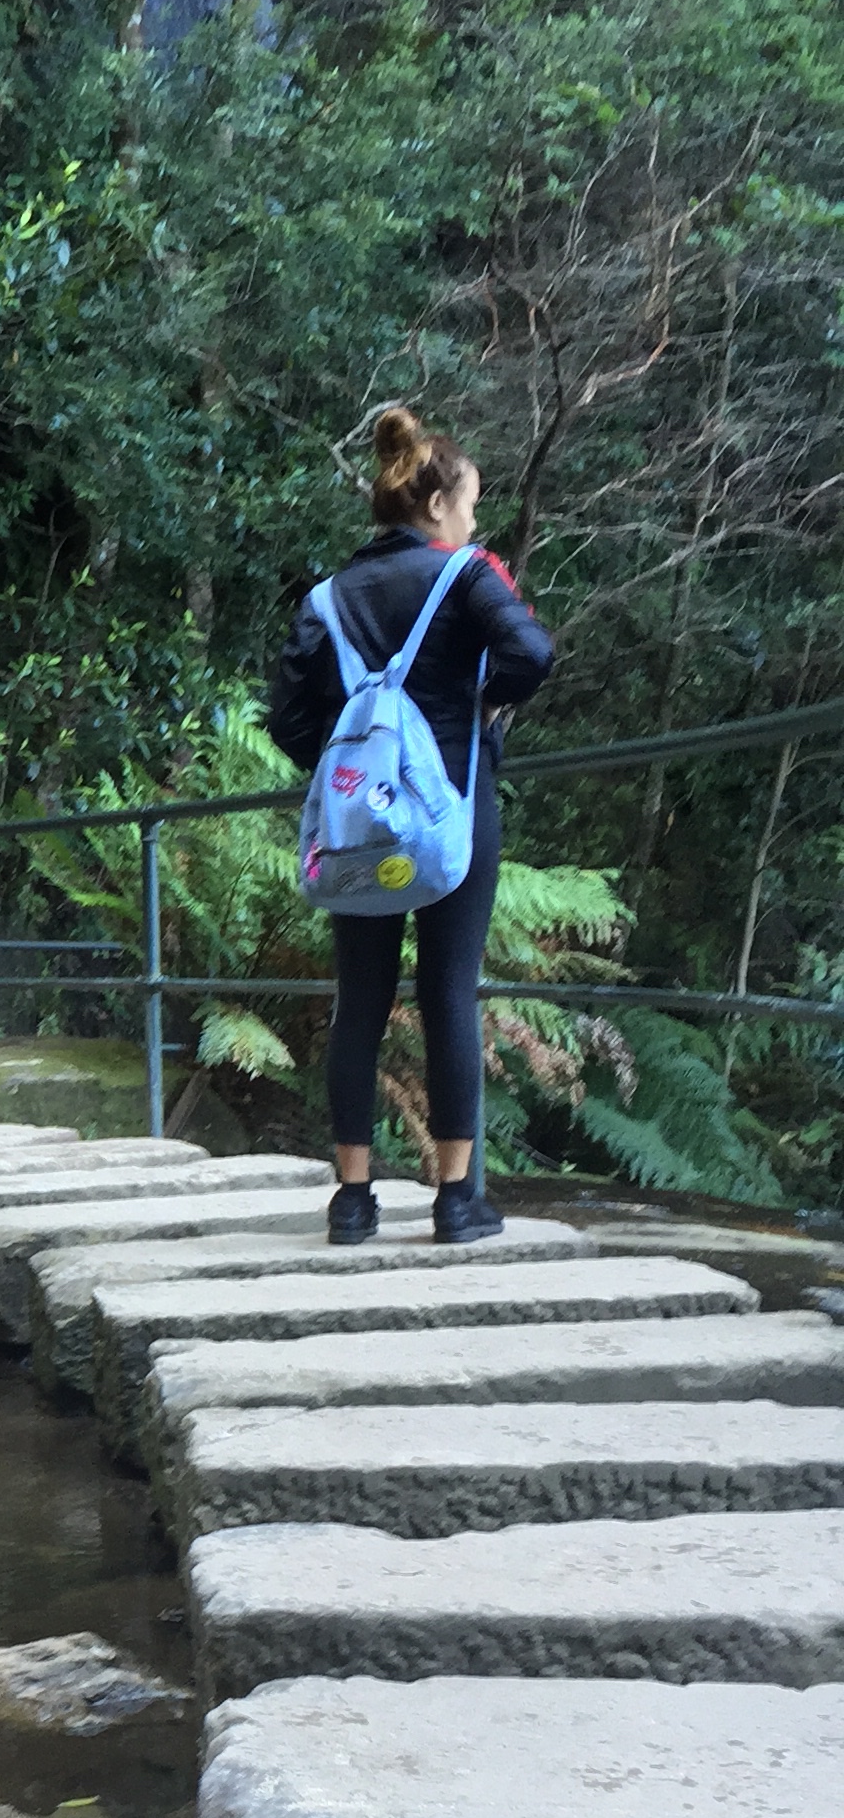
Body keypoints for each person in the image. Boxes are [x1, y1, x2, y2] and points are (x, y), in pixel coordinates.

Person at [267, 404, 556, 1244]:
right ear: (435, 505)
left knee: (360, 998)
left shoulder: (326, 599)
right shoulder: (464, 575)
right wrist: (483, 708)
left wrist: (352, 771)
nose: (472, 522)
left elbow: (287, 719)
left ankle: (353, 1201)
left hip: (360, 827)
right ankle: (456, 1200)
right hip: (454, 813)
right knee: (448, 993)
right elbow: (532, 653)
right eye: (469, 504)